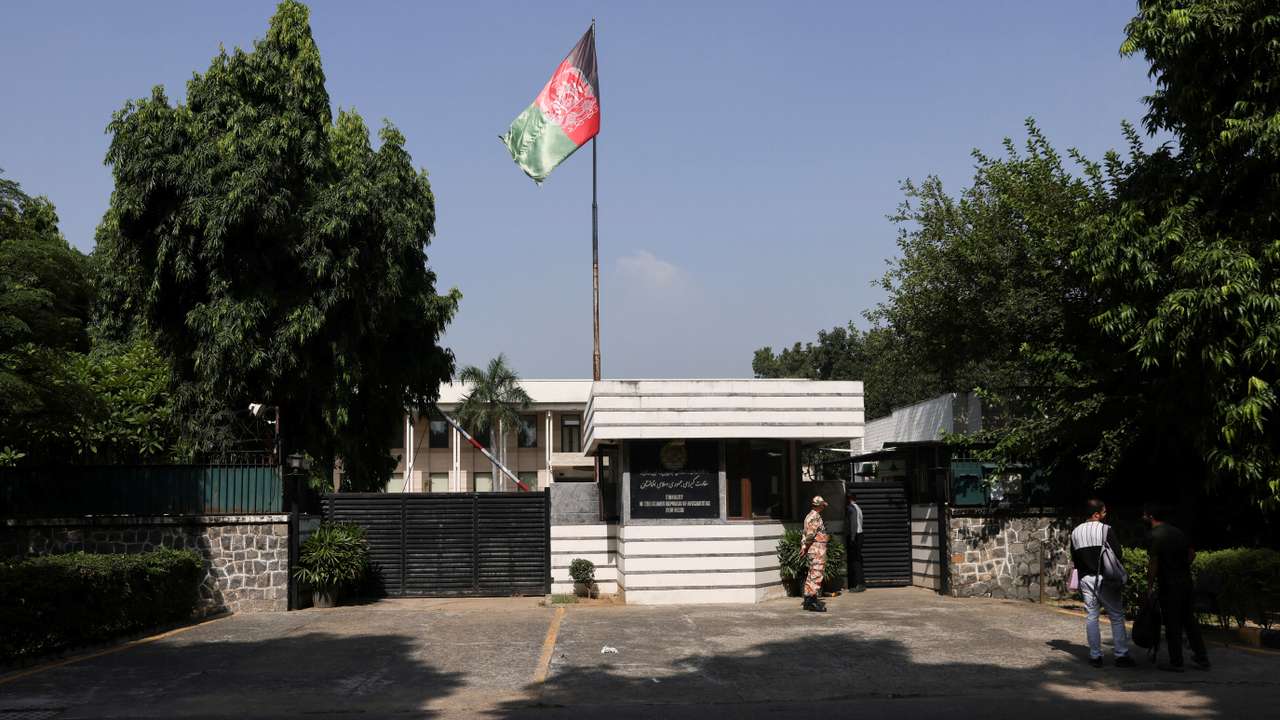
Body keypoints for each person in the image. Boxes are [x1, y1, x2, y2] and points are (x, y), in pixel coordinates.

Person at [1145, 504, 1210, 672]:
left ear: (1151, 516)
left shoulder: (1154, 535)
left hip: (1169, 583)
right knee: (1189, 620)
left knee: (1172, 622)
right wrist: (1182, 567)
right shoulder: (1177, 532)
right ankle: (1202, 658)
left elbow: (1153, 563)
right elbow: (1192, 553)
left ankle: (1176, 661)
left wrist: (1150, 586)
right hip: (1186, 581)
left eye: (1145, 515)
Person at [1070, 499, 1135, 668]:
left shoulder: (1075, 532)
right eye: (1104, 512)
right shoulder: (1105, 530)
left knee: (1092, 617)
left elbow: (1075, 559)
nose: (1106, 515)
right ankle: (1121, 655)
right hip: (1105, 579)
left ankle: (1095, 656)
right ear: (1096, 514)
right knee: (1116, 615)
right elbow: (1118, 554)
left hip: (1085, 579)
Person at [800, 495, 830, 612]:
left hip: (815, 548)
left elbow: (805, 534)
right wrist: (805, 547)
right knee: (816, 573)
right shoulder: (814, 517)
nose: (823, 507)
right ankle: (812, 601)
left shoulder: (811, 516)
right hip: (817, 549)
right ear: (819, 506)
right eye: (822, 505)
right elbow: (810, 535)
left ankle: (808, 599)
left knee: (812, 573)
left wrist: (804, 546)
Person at [846, 492, 865, 592]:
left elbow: (853, 523)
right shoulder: (858, 508)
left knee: (855, 561)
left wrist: (852, 538)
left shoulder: (850, 508)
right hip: (860, 535)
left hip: (855, 536)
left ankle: (858, 585)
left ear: (849, 499)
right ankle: (860, 584)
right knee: (857, 560)